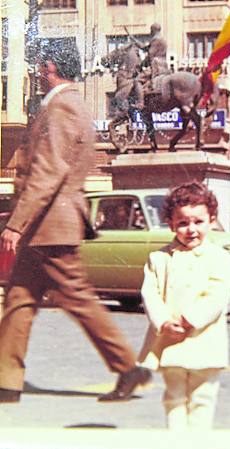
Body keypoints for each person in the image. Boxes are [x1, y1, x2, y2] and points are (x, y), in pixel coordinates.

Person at [0, 40, 150, 404]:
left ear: (51, 66)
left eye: (39, 66)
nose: (36, 72)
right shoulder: (66, 105)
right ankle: (6, 382)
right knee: (18, 301)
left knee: (79, 300)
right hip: (47, 226)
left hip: (51, 225)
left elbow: (48, 171)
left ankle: (128, 367)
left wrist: (15, 223)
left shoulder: (64, 107)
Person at [136, 181, 230, 429]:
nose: (191, 229)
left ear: (211, 220)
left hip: (204, 340)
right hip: (170, 341)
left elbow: (217, 294)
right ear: (171, 224)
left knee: (202, 399)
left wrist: (190, 319)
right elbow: (151, 294)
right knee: (174, 398)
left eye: (198, 222)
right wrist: (164, 322)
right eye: (182, 223)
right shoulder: (159, 258)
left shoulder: (219, 257)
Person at [126, 23, 169, 107]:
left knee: (137, 80)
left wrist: (141, 64)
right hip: (164, 65)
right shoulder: (162, 40)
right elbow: (145, 48)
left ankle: (140, 102)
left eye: (151, 30)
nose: (150, 32)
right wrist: (135, 41)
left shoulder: (156, 40)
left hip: (156, 66)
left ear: (153, 30)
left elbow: (150, 54)